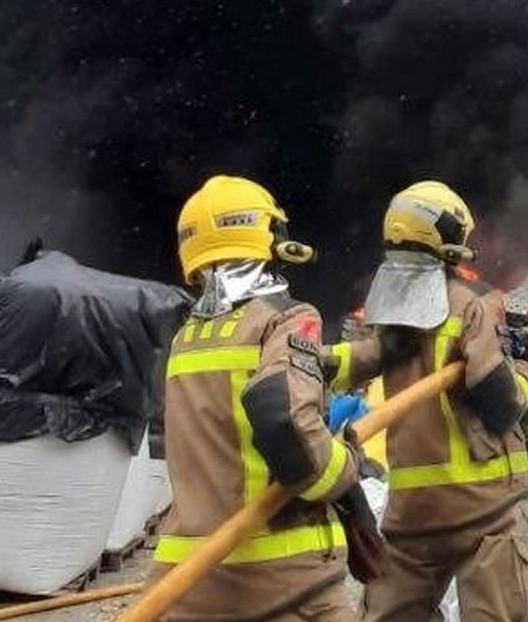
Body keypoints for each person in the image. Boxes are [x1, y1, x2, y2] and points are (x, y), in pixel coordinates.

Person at [152, 175, 380, 622]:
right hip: (282, 583)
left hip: (189, 582)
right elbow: (286, 424)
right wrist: (346, 471)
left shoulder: (186, 339)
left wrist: (381, 354)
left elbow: (287, 371)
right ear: (266, 237)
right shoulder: (287, 318)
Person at [333, 180, 528, 622]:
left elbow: (354, 361)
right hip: (489, 508)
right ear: (449, 238)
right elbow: (502, 406)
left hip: (414, 514)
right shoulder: (475, 308)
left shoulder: (388, 317)